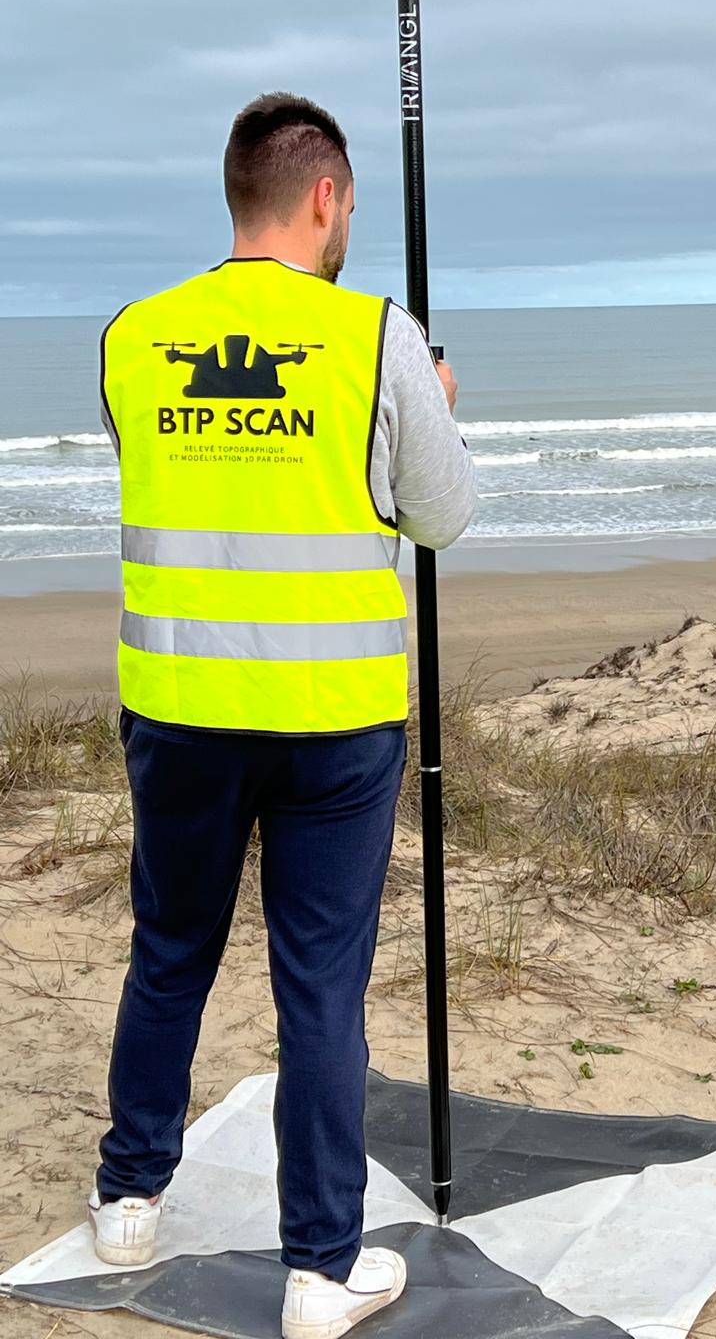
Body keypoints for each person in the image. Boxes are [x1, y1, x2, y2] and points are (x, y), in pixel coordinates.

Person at [90, 92, 476, 1338]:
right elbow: (442, 515)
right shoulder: (379, 337)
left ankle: (128, 1196)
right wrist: (433, 405)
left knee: (172, 947)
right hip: (332, 719)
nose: (349, 219)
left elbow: (165, 475)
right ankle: (321, 1268)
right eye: (351, 204)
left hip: (182, 708)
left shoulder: (135, 337)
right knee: (319, 983)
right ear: (324, 197)